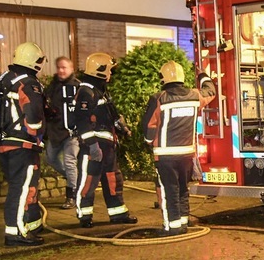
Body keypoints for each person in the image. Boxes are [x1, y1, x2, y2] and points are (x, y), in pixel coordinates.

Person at [74, 52, 137, 228]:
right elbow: (82, 121)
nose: (111, 72)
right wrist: (93, 146)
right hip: (93, 147)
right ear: (100, 70)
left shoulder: (99, 89)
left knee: (113, 180)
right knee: (88, 181)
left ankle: (118, 214)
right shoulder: (86, 92)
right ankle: (84, 216)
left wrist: (123, 129)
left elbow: (111, 113)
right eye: (109, 69)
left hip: (108, 147)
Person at [141, 60, 201, 235]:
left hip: (165, 156)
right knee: (183, 188)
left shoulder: (158, 98)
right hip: (187, 154)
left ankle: (172, 227)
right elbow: (210, 92)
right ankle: (183, 221)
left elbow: (149, 126)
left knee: (169, 191)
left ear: (163, 78)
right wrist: (203, 75)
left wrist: (148, 142)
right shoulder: (195, 96)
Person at [0, 42, 47, 246]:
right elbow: (33, 113)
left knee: (24, 186)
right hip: (22, 144)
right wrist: (37, 133)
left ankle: (31, 224)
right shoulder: (27, 82)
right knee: (20, 188)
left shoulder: (4, 79)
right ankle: (15, 232)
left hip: (3, 142)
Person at [44, 56, 81, 209]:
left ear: (71, 68)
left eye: (64, 67)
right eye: (58, 67)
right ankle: (75, 180)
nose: (60, 70)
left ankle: (71, 196)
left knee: (69, 161)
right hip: (55, 130)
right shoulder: (52, 86)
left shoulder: (77, 86)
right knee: (50, 158)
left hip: (72, 132)